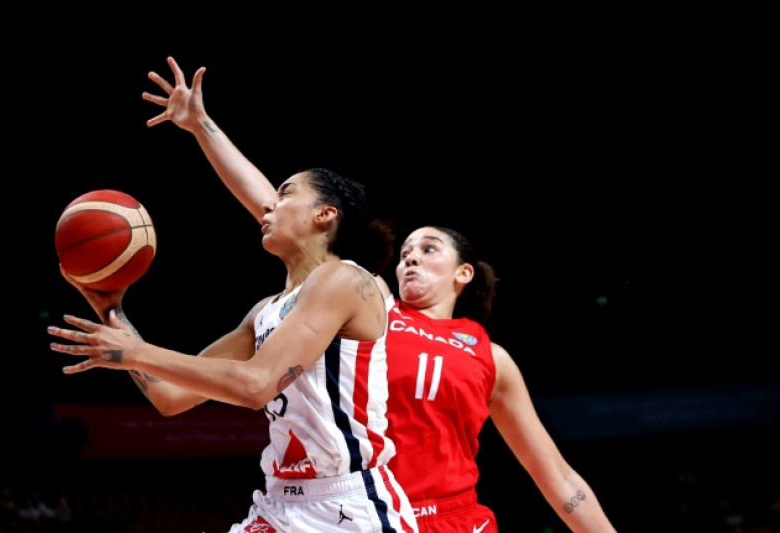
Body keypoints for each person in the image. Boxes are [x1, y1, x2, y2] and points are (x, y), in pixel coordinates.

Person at [138, 56, 618, 532]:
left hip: (455, 520)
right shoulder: (372, 303)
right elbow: (273, 208)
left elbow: (555, 476)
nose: (411, 257)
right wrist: (202, 127)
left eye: (429, 249)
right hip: (361, 507)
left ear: (464, 273)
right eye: (407, 249)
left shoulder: (491, 357)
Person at [48, 167, 418, 531]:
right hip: (280, 504)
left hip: (347, 507)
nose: (268, 205)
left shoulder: (345, 279)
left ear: (325, 214)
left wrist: (132, 352)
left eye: (285, 194)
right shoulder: (264, 312)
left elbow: (256, 384)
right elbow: (170, 396)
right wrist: (114, 315)